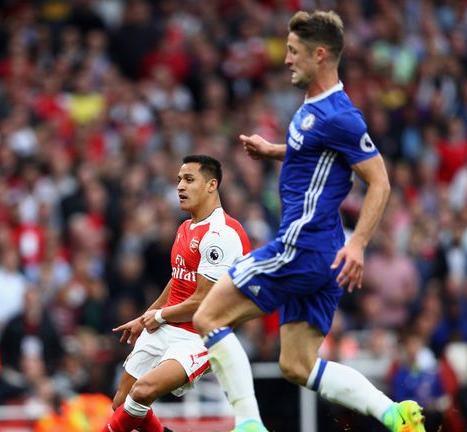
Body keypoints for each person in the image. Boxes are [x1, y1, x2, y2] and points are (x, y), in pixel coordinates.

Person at [192, 10, 425, 432]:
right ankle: (395, 414)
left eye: (293, 51)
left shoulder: (341, 116)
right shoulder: (316, 108)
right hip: (322, 253)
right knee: (297, 365)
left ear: (320, 55)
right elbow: (316, 152)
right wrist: (275, 150)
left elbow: (381, 182)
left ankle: (247, 425)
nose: (285, 59)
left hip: (301, 246)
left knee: (208, 318)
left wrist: (359, 244)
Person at [102, 155, 251, 432]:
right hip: (168, 323)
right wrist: (146, 316)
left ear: (211, 185)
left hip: (201, 334)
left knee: (142, 392)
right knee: (121, 403)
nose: (180, 186)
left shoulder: (222, 234)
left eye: (189, 179)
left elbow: (204, 300)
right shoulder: (185, 227)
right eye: (179, 180)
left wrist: (159, 315)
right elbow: (178, 280)